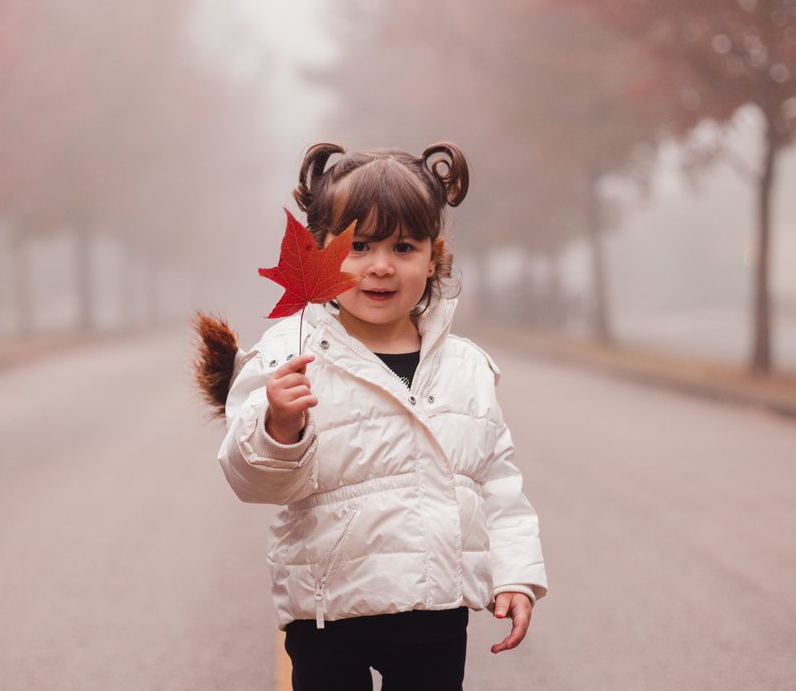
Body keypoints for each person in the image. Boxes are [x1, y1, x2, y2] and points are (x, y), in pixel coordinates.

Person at [193, 142, 546, 691]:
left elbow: (498, 482)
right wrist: (279, 426)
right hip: (329, 613)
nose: (381, 265)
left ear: (434, 257)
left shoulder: (465, 367)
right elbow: (252, 479)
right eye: (358, 246)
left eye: (403, 247)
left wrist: (517, 574)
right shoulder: (292, 353)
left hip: (436, 611)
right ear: (320, 255)